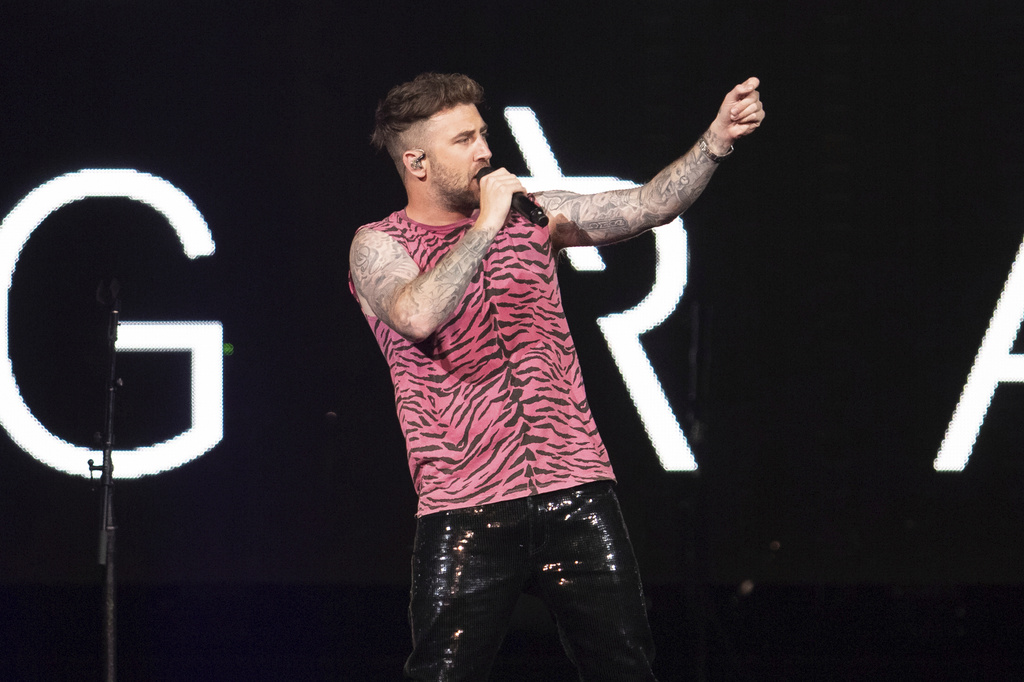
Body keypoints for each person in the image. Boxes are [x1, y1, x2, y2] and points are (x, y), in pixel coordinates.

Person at [349, 72, 764, 681]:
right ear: (416, 161)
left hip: (576, 492)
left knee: (625, 666)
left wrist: (716, 139)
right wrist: (484, 227)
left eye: (483, 134)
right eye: (463, 140)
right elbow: (416, 315)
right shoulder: (380, 244)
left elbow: (650, 204)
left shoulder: (536, 215)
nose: (486, 151)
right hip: (466, 507)